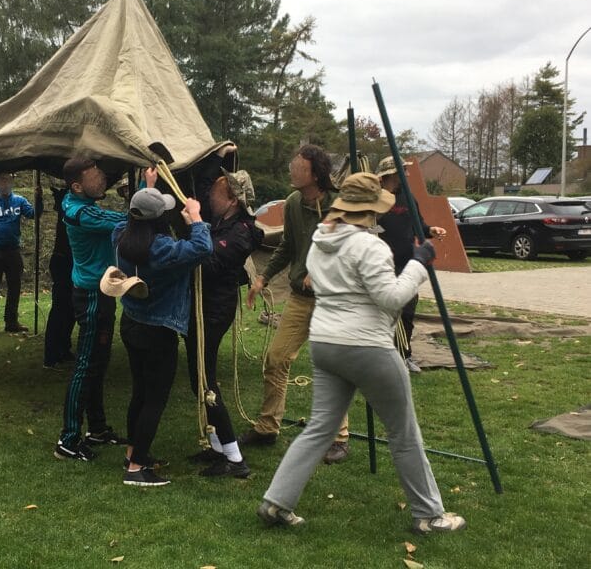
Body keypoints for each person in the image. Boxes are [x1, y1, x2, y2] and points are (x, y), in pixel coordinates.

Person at [258, 172, 466, 535]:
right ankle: (430, 515)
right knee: (404, 433)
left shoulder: (320, 242)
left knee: (319, 429)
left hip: (326, 344)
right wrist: (419, 263)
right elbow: (391, 298)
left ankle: (277, 501)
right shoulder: (371, 247)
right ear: (371, 209)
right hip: (368, 346)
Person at [243, 144, 350, 464]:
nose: (292, 167)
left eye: (298, 165)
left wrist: (321, 271)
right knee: (276, 358)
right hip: (300, 300)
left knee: (332, 367)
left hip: (332, 300)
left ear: (315, 173)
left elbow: (350, 250)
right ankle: (268, 427)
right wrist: (263, 277)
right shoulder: (292, 202)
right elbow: (288, 246)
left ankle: (340, 438)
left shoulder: (338, 205)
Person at [113, 181, 213, 485]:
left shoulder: (120, 236)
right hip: (158, 332)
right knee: (155, 400)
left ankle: (133, 453)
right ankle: (136, 469)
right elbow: (202, 248)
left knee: (140, 393)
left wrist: (148, 189)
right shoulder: (161, 249)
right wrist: (196, 218)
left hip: (131, 323)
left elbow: (134, 215)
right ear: (159, 219)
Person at [54, 157, 152, 461]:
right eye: (95, 177)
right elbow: (129, 222)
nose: (102, 180)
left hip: (99, 291)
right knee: (86, 365)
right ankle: (68, 439)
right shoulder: (82, 212)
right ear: (77, 186)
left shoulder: (78, 203)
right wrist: (147, 188)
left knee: (98, 362)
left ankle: (96, 428)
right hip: (92, 296)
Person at [184, 145, 262, 478]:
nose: (209, 197)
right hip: (202, 305)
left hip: (214, 309)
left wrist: (196, 225)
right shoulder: (222, 219)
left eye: (218, 192)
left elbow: (210, 261)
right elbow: (201, 187)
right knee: (198, 379)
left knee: (206, 381)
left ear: (231, 200)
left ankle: (234, 458)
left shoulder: (241, 232)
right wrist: (219, 157)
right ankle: (218, 448)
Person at [375, 157, 447, 373]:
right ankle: (380, 356)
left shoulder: (408, 198)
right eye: (402, 171)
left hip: (405, 264)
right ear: (390, 174)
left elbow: (419, 225)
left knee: (407, 312)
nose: (406, 176)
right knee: (381, 314)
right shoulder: (375, 199)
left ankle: (404, 356)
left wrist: (430, 230)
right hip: (380, 265)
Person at [0, 174, 42, 336]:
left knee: (15, 287)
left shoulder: (19, 200)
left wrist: (39, 199)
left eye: (7, 181)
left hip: (13, 251)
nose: (4, 184)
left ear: (11, 183)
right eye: (1, 181)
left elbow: (33, 214)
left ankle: (11, 322)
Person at [43, 185, 76, 370]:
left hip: (67, 259)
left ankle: (63, 348)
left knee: (69, 309)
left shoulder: (68, 207)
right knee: (61, 308)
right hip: (64, 260)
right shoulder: (69, 207)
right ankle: (52, 354)